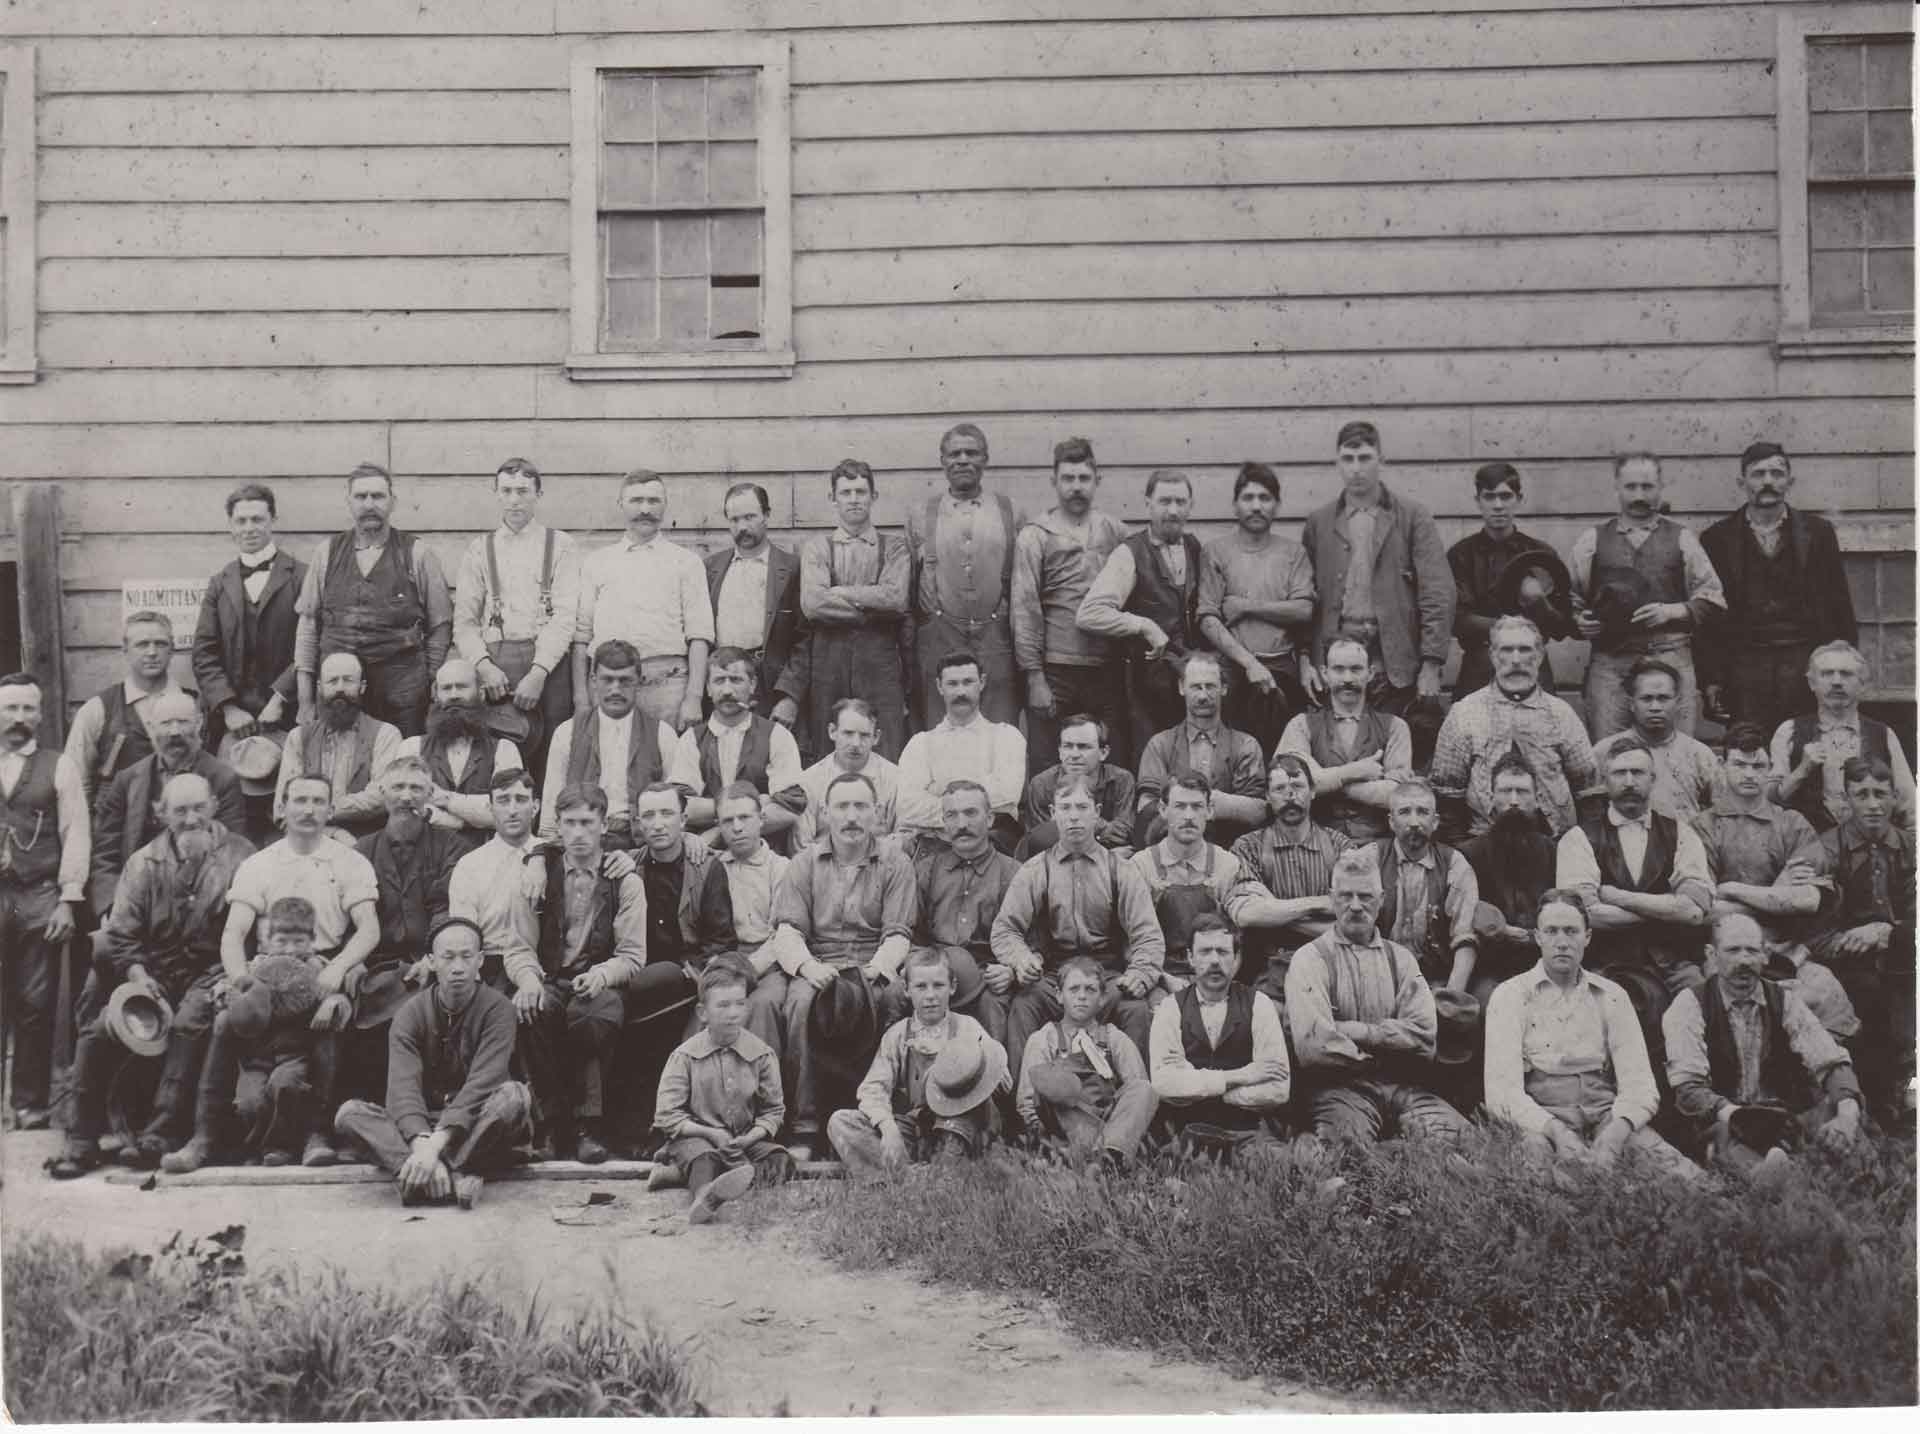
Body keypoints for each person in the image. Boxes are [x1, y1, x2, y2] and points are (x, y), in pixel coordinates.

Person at [49, 774, 254, 1177]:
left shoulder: (243, 857)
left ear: (214, 805)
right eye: (179, 810)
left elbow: (246, 932)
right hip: (152, 970)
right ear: (161, 814)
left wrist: (227, 975)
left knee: (188, 1022)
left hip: (212, 971)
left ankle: (159, 1133)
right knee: (97, 1030)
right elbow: (122, 934)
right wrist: (139, 975)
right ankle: (80, 1141)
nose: (190, 818)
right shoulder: (142, 862)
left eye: (198, 807)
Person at [1483, 888, 1695, 1177]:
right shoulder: (1510, 995)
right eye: (1552, 931)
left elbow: (1640, 1084)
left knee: (1675, 1172)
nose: (1562, 942)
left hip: (1605, 1113)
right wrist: (1557, 1132)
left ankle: (1737, 1195)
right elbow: (1501, 1093)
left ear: (1588, 937)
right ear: (1538, 937)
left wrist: (1616, 1133)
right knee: (1537, 1176)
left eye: (1571, 931)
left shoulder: (1612, 995)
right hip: (1540, 1118)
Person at [763, 771, 917, 1160]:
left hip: (872, 958)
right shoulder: (804, 863)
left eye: (861, 806)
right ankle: (805, 1123)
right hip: (821, 959)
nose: (852, 817)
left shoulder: (895, 863)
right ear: (825, 813)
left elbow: (899, 932)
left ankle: (886, 1117)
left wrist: (880, 967)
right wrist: (808, 968)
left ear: (877, 813)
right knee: (797, 1004)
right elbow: (787, 930)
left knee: (896, 998)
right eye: (842, 807)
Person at [334, 914, 532, 1209]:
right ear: (431, 960)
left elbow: (483, 1083)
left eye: (467, 957)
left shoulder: (498, 1010)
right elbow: (403, 1089)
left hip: (476, 1122)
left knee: (515, 1097)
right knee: (348, 1115)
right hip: (425, 1123)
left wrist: (434, 1149)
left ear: (480, 960)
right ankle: (453, 1175)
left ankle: (416, 1175)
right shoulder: (410, 1013)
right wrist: (422, 1144)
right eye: (448, 957)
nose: (457, 968)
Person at [503, 782, 647, 1164]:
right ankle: (549, 1125)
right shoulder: (536, 875)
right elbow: (518, 946)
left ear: (603, 826)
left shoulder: (624, 879)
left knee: (593, 1014)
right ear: (557, 826)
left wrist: (603, 975)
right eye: (570, 823)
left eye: (587, 822)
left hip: (600, 979)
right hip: (550, 977)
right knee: (533, 1010)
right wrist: (529, 978)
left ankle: (589, 1128)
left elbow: (633, 954)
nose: (579, 833)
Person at [1286, 848, 1469, 1144]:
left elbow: (1424, 1038)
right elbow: (1314, 1048)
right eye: (1346, 896)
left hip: (1403, 1087)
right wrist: (1390, 1047)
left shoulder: (1402, 959)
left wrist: (1358, 1032)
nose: (1356, 906)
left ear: (1381, 900)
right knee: (1349, 1149)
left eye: (1366, 896)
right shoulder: (1310, 959)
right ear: (1332, 899)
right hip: (1341, 1091)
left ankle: (1403, 1152)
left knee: (1458, 1138)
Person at [1663, 912, 1864, 1177]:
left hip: (1781, 1116)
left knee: (1845, 1122)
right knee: (1731, 1150)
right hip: (1723, 1118)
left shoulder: (1785, 1001)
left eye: (1752, 951)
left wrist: (1847, 1113)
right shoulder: (1689, 1005)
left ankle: (1817, 1173)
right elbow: (1689, 1091)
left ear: (1765, 956)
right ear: (1712, 955)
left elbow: (1829, 1060)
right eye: (1733, 950)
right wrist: (1738, 1116)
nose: (1744, 961)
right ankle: (1774, 1177)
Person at [990, 776, 1165, 1064]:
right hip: (1053, 973)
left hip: (1107, 974)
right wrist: (1021, 960)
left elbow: (1147, 934)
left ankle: (1134, 1095)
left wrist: (1141, 974)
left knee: (1135, 1009)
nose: (1074, 816)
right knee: (1024, 1004)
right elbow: (1006, 929)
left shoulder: (1121, 871)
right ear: (1052, 813)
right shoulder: (1036, 870)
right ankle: (1025, 1102)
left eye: (1082, 807)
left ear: (1097, 812)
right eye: (1066, 807)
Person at [168, 896, 346, 1172]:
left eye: (299, 941)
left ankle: (302, 1139)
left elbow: (340, 996)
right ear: (267, 940)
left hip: (295, 1058)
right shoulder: (256, 969)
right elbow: (233, 987)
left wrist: (333, 1002)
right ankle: (209, 1138)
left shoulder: (318, 969)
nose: (290, 949)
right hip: (257, 1058)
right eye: (282, 941)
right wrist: (225, 993)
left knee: (285, 1085)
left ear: (312, 941)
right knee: (249, 1101)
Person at [1298, 421, 1454, 730]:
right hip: (1335, 651)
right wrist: (1305, 657)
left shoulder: (1412, 517)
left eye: (1365, 458)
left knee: (1395, 738)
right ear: (1337, 463)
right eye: (1348, 459)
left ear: (1382, 460)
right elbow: (1304, 596)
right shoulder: (1319, 522)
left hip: (1393, 655)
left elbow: (1438, 591)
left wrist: (1432, 663)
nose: (1356, 469)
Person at [1699, 441, 1857, 735]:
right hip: (1744, 665)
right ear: (1742, 482)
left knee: (1806, 745)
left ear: (1790, 481)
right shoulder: (1717, 539)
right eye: (1758, 474)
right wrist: (1711, 678)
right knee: (1749, 751)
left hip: (1806, 662)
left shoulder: (1818, 533)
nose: (1768, 481)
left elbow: (1839, 604)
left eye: (1777, 473)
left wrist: (1844, 665)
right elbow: (1709, 620)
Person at [1569, 452, 1726, 740]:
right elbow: (1572, 600)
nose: (1639, 495)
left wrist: (1673, 611)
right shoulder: (1592, 540)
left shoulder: (1682, 539)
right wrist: (1580, 621)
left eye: (1647, 487)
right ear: (1616, 487)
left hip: (1670, 658)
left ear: (1661, 487)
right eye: (1631, 487)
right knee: (1609, 755)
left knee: (1677, 753)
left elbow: (1714, 600)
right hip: (1611, 666)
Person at [294, 463, 452, 738]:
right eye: (361, 497)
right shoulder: (326, 554)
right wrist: (305, 700)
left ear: (392, 502)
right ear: (349, 503)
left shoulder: (417, 553)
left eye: (378, 496)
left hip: (403, 696)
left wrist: (429, 684)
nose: (369, 504)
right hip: (340, 694)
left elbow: (441, 627)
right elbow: (307, 628)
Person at [827, 946, 1011, 1178]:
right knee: (841, 1122)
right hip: (915, 1129)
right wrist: (888, 1128)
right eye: (921, 987)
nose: (930, 995)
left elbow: (1002, 1079)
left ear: (952, 987)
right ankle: (913, 1176)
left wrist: (985, 1066)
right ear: (906, 990)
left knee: (964, 1118)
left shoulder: (967, 1027)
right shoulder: (898, 1034)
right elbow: (873, 1089)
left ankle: (940, 1172)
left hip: (955, 1127)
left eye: (939, 985)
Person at [1555, 736, 1714, 1000]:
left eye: (1637, 773)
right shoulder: (1578, 839)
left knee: (1701, 998)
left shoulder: (1681, 834)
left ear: (1653, 779)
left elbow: (1693, 912)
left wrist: (1620, 898)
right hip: (1606, 965)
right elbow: (1585, 916)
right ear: (1605, 780)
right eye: (1620, 773)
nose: (1629, 782)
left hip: (1673, 966)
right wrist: (1666, 909)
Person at [451, 457, 580, 777]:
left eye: (523, 491)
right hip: (498, 668)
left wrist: (539, 673)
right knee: (501, 753)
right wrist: (483, 667)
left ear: (538, 494)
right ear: (496, 493)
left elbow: (565, 616)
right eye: (506, 491)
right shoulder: (480, 550)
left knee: (552, 754)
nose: (514, 500)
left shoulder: (561, 545)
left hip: (550, 667)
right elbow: (464, 623)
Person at [344, 757, 463, 1100]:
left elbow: (448, 908)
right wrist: (356, 960)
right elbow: (355, 917)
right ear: (382, 792)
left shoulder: (451, 846)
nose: (406, 797)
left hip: (430, 963)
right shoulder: (361, 851)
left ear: (429, 794)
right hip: (378, 964)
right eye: (398, 787)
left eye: (415, 788)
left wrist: (434, 957)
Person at [0, 672, 88, 1130]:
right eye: (10, 707)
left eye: (27, 709)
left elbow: (76, 835)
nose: (18, 718)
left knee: (35, 1003)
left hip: (38, 895)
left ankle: (30, 1103)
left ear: (40, 714)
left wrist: (68, 899)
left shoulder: (60, 766)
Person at [1012, 437, 1130, 775]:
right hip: (1055, 668)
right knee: (1049, 762)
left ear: (1097, 481)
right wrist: (1034, 676)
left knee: (1110, 756)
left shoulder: (1116, 532)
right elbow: (1025, 608)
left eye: (1083, 479)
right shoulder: (1035, 535)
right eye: (1068, 479)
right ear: (1054, 482)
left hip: (1106, 669)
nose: (1075, 487)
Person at [1809, 757, 1916, 1122]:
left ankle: (1905, 1088)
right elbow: (1813, 934)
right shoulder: (1826, 850)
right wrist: (1850, 941)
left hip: (1902, 958)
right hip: (1845, 964)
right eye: (1862, 794)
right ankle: (1869, 1097)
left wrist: (1887, 932)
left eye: (1881, 794)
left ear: (1894, 798)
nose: (1873, 804)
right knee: (1867, 993)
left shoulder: (1910, 848)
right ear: (1847, 799)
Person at [1077, 468, 1204, 764]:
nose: (1172, 511)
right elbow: (1089, 613)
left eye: (1180, 502)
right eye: (1164, 501)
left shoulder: (1195, 547)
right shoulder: (1130, 553)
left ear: (1191, 505)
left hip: (1189, 681)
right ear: (1148, 504)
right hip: (1148, 686)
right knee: (1151, 764)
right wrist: (1143, 625)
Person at [650, 961, 794, 1224]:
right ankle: (705, 1197)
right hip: (699, 1138)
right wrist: (710, 1133)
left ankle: (703, 1178)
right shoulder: (685, 1056)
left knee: (781, 1161)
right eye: (723, 1005)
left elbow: (773, 1110)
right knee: (705, 1159)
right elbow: (666, 1115)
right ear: (702, 1012)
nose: (733, 1013)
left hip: (743, 1140)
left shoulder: (761, 1054)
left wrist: (752, 1136)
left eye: (740, 1004)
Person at [1428, 615, 1593, 841]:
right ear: (1493, 656)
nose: (1516, 660)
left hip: (1555, 844)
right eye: (1507, 650)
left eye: (1524, 650)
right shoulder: (1464, 713)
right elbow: (1447, 796)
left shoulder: (1561, 714)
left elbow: (1589, 790)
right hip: (1483, 845)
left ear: (1539, 656)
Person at [573, 469, 713, 734]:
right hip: (608, 686)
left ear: (665, 505)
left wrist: (693, 698)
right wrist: (581, 699)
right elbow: (581, 637)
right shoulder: (596, 562)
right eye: (636, 501)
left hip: (667, 688)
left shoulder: (686, 562)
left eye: (653, 501)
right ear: (620, 505)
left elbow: (699, 635)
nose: (645, 509)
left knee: (666, 767)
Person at [906, 423, 1025, 731]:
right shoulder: (921, 514)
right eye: (954, 453)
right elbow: (910, 587)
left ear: (985, 459)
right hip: (940, 635)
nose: (962, 460)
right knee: (939, 727)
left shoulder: (1011, 511)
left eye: (971, 453)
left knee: (1000, 728)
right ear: (942, 460)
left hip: (996, 636)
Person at [223, 775, 380, 1003]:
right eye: (300, 800)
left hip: (324, 967)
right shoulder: (257, 864)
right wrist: (242, 980)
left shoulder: (351, 861)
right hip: (268, 966)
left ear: (330, 810)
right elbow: (233, 933)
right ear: (281, 807)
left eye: (318, 801)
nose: (309, 810)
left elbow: (369, 929)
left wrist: (337, 969)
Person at [88, 689, 243, 919]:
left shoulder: (222, 778)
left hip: (204, 906)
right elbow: (105, 854)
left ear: (199, 723)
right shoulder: (128, 780)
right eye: (166, 723)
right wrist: (111, 908)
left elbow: (233, 852)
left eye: (183, 722)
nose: (175, 732)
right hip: (138, 904)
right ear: (151, 727)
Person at [1198, 462, 1315, 759]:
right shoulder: (1215, 551)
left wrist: (1247, 606)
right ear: (1235, 505)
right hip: (1232, 671)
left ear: (1277, 505)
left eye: (1265, 498)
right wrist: (1249, 663)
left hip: (1282, 672)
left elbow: (1303, 609)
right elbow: (1208, 617)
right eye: (1248, 498)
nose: (1256, 506)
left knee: (1282, 757)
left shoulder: (1293, 553)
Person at [797, 460, 911, 761]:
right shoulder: (817, 547)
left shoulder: (895, 547)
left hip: (881, 661)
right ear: (833, 499)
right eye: (845, 492)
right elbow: (812, 604)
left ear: (874, 496)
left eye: (861, 491)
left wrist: (840, 593)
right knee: (828, 744)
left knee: (885, 744)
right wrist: (869, 609)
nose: (854, 499)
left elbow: (896, 598)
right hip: (828, 662)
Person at [1148, 915, 1291, 1154]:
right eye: (1205, 952)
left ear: (1236, 959)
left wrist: (1202, 1088)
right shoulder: (1170, 1008)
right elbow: (1164, 1084)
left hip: (1248, 1133)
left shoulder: (1260, 1004)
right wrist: (1245, 1075)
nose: (1214, 960)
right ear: (1190, 958)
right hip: (1186, 1134)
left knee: (1280, 1170)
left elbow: (1278, 1088)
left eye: (1223, 952)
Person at [897, 780, 1022, 1046]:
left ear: (989, 819)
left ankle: (993, 1082)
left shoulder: (1013, 873)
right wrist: (915, 966)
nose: (961, 824)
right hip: (932, 967)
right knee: (892, 995)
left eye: (970, 813)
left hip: (986, 972)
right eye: (952, 815)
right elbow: (909, 930)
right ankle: (900, 1077)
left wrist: (1010, 970)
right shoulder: (926, 870)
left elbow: (1031, 938)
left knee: (994, 1004)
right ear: (943, 822)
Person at [192, 481, 306, 755]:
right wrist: (229, 707)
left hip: (288, 716)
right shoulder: (219, 583)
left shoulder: (302, 577)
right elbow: (203, 653)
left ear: (272, 521)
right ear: (231, 525)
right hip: (231, 725)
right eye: (240, 521)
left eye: (257, 519)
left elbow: (312, 646)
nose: (249, 528)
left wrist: (280, 699)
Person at [1015, 955, 1157, 1166]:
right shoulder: (1044, 1038)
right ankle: (1083, 1157)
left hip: (1106, 1125)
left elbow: (1137, 1087)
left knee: (1145, 1089)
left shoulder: (1113, 1038)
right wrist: (1042, 1138)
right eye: (1074, 989)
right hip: (1063, 1130)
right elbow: (1027, 1101)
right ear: (1059, 995)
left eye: (1090, 990)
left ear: (1102, 998)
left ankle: (1108, 1155)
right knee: (1052, 1084)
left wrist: (1118, 1126)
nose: (1082, 996)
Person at [1227, 755, 1346, 1001]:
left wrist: (1274, 909)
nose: (1290, 796)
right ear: (1268, 797)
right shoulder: (1248, 846)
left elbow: (1353, 920)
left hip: (1332, 966)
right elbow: (1247, 915)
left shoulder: (1340, 845)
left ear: (1313, 792)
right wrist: (1320, 903)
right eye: (1280, 789)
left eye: (1298, 787)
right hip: (1271, 972)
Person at [1129, 770, 1265, 985]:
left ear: (1210, 811)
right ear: (1163, 810)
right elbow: (1128, 943)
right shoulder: (1140, 866)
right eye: (1180, 806)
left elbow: (1242, 941)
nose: (1189, 816)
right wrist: (1164, 979)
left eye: (1197, 806)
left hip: (1218, 978)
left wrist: (1218, 983)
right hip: (1160, 979)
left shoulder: (1228, 865)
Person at [540, 639, 679, 847]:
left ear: (639, 681)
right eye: (608, 680)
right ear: (594, 680)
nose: (615, 690)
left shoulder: (663, 734)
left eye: (625, 681)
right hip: (583, 843)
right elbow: (551, 804)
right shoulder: (567, 732)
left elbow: (675, 805)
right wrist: (546, 852)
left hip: (642, 846)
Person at [1275, 636, 1414, 842]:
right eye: (1338, 669)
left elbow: (1396, 796)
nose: (1347, 678)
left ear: (1370, 674)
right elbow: (1290, 788)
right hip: (1314, 845)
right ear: (1325, 674)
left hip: (1376, 844)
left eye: (1356, 669)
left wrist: (1323, 780)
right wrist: (1355, 772)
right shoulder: (1301, 725)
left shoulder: (1395, 727)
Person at [1768, 640, 1915, 834]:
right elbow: (1769, 803)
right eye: (1827, 673)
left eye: (1846, 674)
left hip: (1868, 850)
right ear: (1812, 683)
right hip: (1807, 849)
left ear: (1862, 684)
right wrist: (1802, 770)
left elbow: (1911, 809)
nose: (1836, 681)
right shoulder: (1789, 731)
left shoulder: (1883, 734)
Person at [665, 647, 807, 844]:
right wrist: (757, 803)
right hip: (708, 857)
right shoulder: (692, 739)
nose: (727, 691)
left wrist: (718, 831)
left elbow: (790, 809)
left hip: (761, 853)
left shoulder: (777, 735)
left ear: (753, 684)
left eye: (736, 680)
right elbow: (682, 808)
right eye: (719, 680)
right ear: (707, 688)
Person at [1446, 462, 1564, 697]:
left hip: (1532, 664)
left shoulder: (1541, 554)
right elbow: (1457, 618)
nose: (1498, 505)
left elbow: (1561, 626)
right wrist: (1510, 627)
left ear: (1519, 499)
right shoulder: (1460, 555)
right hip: (1479, 668)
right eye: (1489, 497)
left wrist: (1539, 602)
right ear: (1477, 500)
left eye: (1505, 496)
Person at [1133, 652, 1268, 850]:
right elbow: (1146, 809)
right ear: (1181, 688)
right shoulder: (1160, 745)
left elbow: (1258, 812)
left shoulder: (1245, 745)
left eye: (1210, 686)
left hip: (1228, 852)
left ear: (1224, 688)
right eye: (1196, 687)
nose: (1203, 696)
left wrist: (1213, 803)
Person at [895, 652, 1026, 853]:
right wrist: (980, 795)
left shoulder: (1006, 737)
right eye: (952, 684)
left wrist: (938, 790)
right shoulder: (921, 743)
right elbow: (907, 808)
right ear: (939, 686)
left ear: (981, 683)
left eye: (968, 682)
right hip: (935, 850)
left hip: (995, 847)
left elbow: (1007, 797)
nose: (961, 692)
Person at [703, 481, 808, 730]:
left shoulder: (792, 568)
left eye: (750, 517)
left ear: (767, 515)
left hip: (771, 682)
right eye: (734, 519)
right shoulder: (711, 568)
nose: (742, 527)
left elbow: (806, 639)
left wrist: (789, 697)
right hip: (723, 681)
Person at [66, 609, 196, 808]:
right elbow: (76, 785)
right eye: (142, 644)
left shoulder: (195, 706)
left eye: (160, 644)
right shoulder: (98, 709)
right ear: (125, 650)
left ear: (172, 650)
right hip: (118, 830)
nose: (152, 652)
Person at [1459, 751, 1560, 1005]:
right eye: (1505, 791)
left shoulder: (1554, 851)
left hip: (1544, 964)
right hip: (1490, 968)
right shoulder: (1469, 854)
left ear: (1537, 800)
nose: (1514, 801)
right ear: (1491, 798)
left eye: (1522, 792)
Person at [394, 659, 524, 849]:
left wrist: (443, 799)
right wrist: (466, 819)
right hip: (424, 858)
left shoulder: (504, 749)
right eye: (446, 688)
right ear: (436, 695)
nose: (454, 695)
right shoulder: (411, 747)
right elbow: (405, 808)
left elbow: (507, 812)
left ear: (480, 693)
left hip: (483, 859)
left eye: (461, 687)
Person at [273, 651, 403, 840]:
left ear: (362, 687)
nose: (340, 688)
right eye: (332, 681)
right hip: (308, 842)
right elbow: (282, 810)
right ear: (319, 688)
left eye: (348, 680)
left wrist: (314, 807)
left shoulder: (386, 735)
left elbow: (382, 798)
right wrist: (334, 833)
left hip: (366, 844)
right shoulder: (298, 737)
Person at [1369, 779, 1480, 997]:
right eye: (1404, 812)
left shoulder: (1454, 864)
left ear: (1435, 821)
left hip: (1435, 981)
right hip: (1376, 978)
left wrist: (1451, 995)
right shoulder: (1370, 858)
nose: (1414, 822)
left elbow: (1465, 937)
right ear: (1391, 822)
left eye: (1422, 812)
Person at [707, 784, 792, 1055]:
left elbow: (782, 934)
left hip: (768, 963)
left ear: (761, 820)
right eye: (728, 821)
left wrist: (749, 968)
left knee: (762, 1004)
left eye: (744, 818)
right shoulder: (713, 866)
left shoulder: (781, 868)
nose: (737, 827)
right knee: (707, 1006)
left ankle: (764, 1087)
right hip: (725, 960)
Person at [1584, 658, 1720, 824]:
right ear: (1632, 704)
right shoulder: (1604, 752)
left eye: (1663, 698)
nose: (1655, 707)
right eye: (1647, 698)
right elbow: (1591, 813)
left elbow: (1720, 811)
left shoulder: (1699, 754)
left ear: (1677, 702)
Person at [447, 768, 543, 985]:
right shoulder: (470, 865)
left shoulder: (551, 856)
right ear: (490, 808)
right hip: (487, 965)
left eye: (520, 800)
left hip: (539, 964)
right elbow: (464, 930)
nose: (512, 810)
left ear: (535, 806)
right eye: (503, 800)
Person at [1018, 712, 1135, 859]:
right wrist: (1105, 851)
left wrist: (1069, 823)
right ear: (1060, 752)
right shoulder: (1041, 785)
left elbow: (1123, 835)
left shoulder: (1121, 780)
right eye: (1068, 746)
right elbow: (1041, 840)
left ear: (1103, 753)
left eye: (1083, 747)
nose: (1074, 754)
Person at [791, 698, 900, 849]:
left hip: (880, 866)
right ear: (832, 732)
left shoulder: (895, 778)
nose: (856, 743)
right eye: (848, 733)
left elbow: (902, 838)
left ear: (876, 737)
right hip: (823, 867)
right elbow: (802, 846)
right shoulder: (809, 781)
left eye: (864, 735)